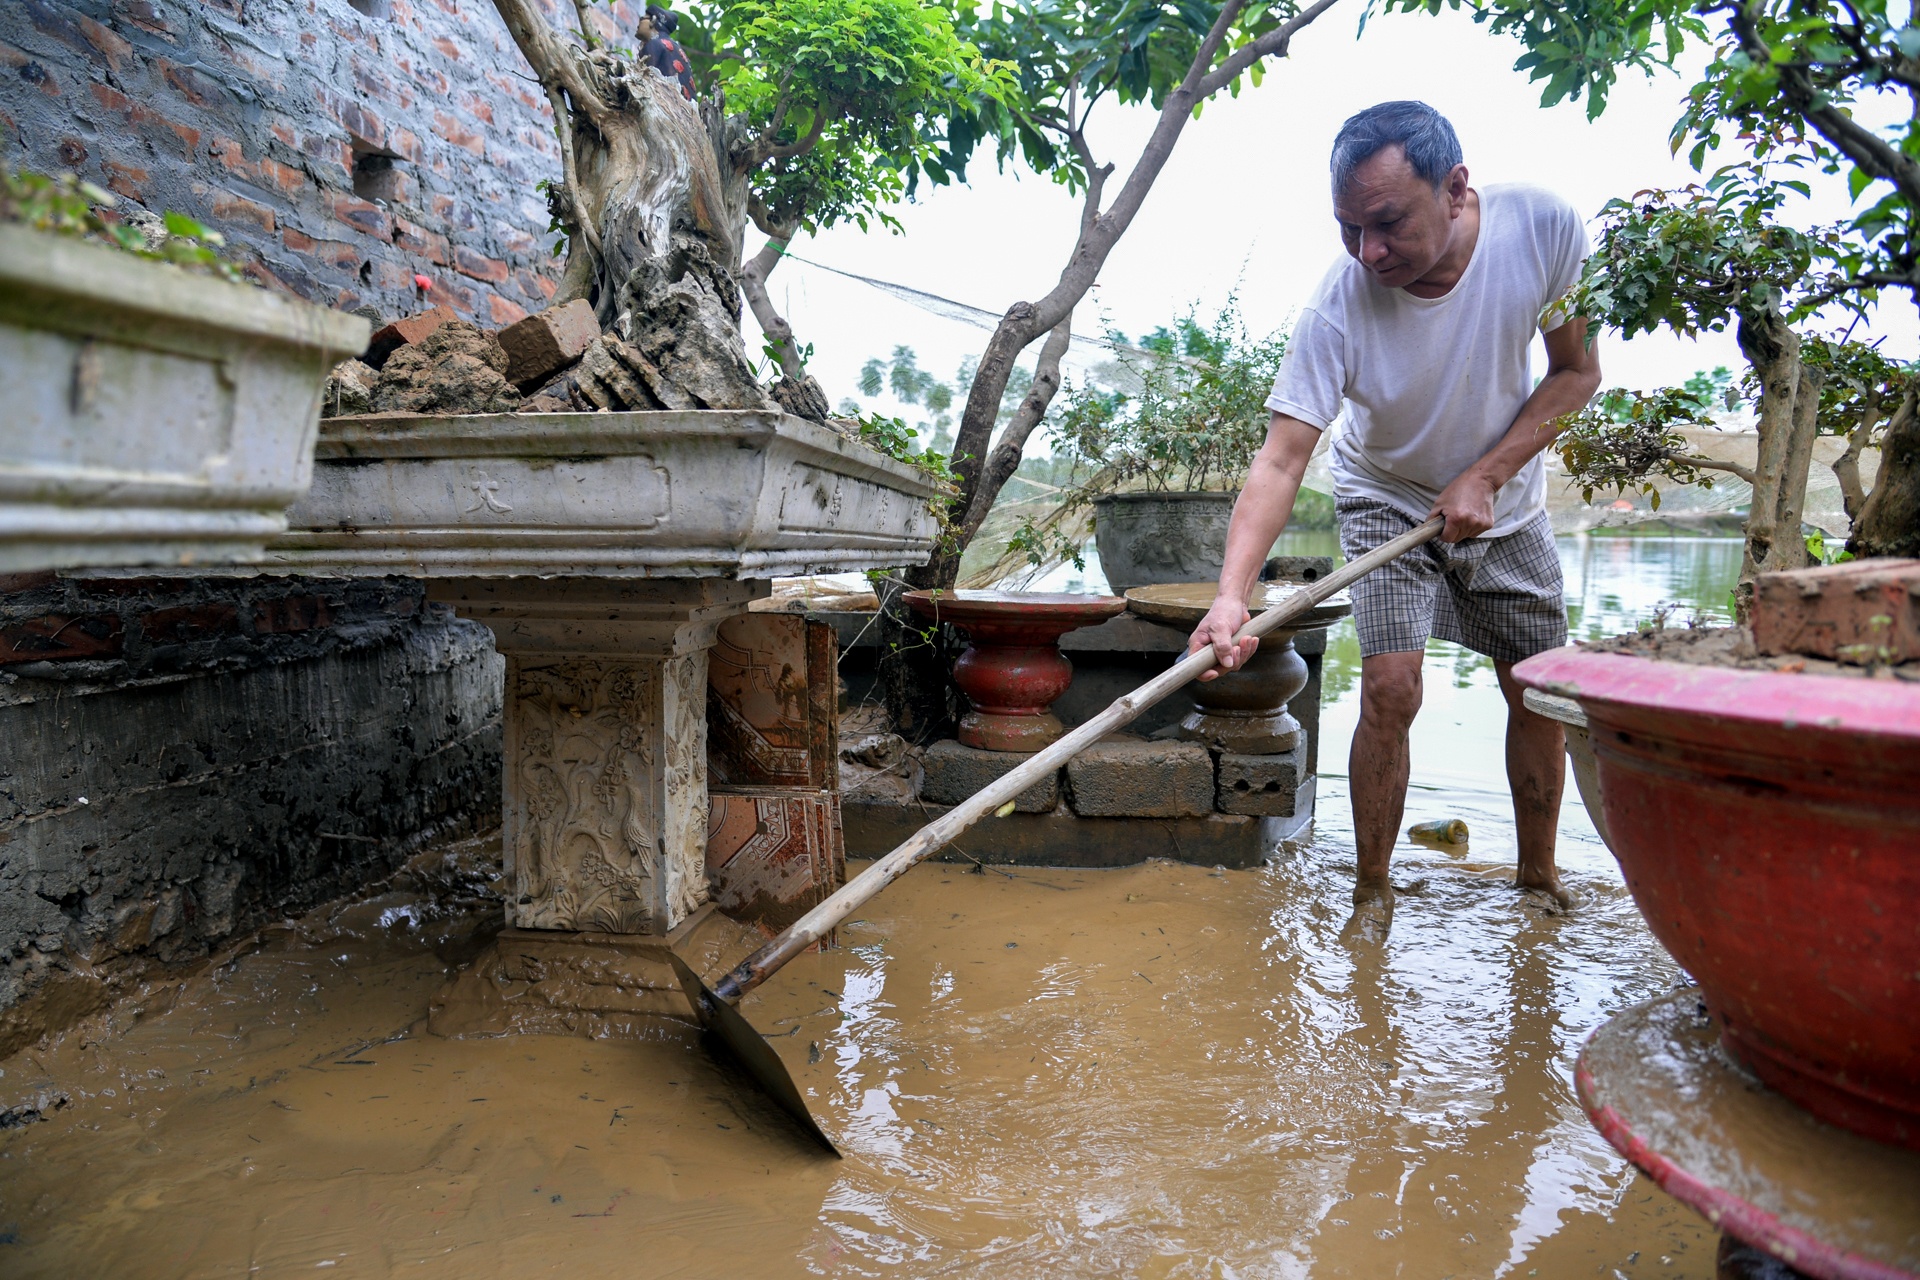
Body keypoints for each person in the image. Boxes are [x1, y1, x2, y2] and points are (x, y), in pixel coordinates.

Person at [1186, 101, 1602, 918]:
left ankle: (1539, 881)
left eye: (1386, 224)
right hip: (1386, 493)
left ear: (1455, 189)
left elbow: (1575, 374)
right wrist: (1231, 595)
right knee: (1389, 687)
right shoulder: (1338, 304)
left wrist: (1486, 474)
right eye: (1348, 229)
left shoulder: (1543, 229)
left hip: (1507, 501)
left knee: (1535, 688)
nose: (1368, 253)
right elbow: (1282, 458)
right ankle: (1371, 893)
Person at [635, 4, 694, 101]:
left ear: (653, 21)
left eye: (642, 18)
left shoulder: (653, 44)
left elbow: (644, 81)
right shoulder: (675, 47)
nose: (639, 22)